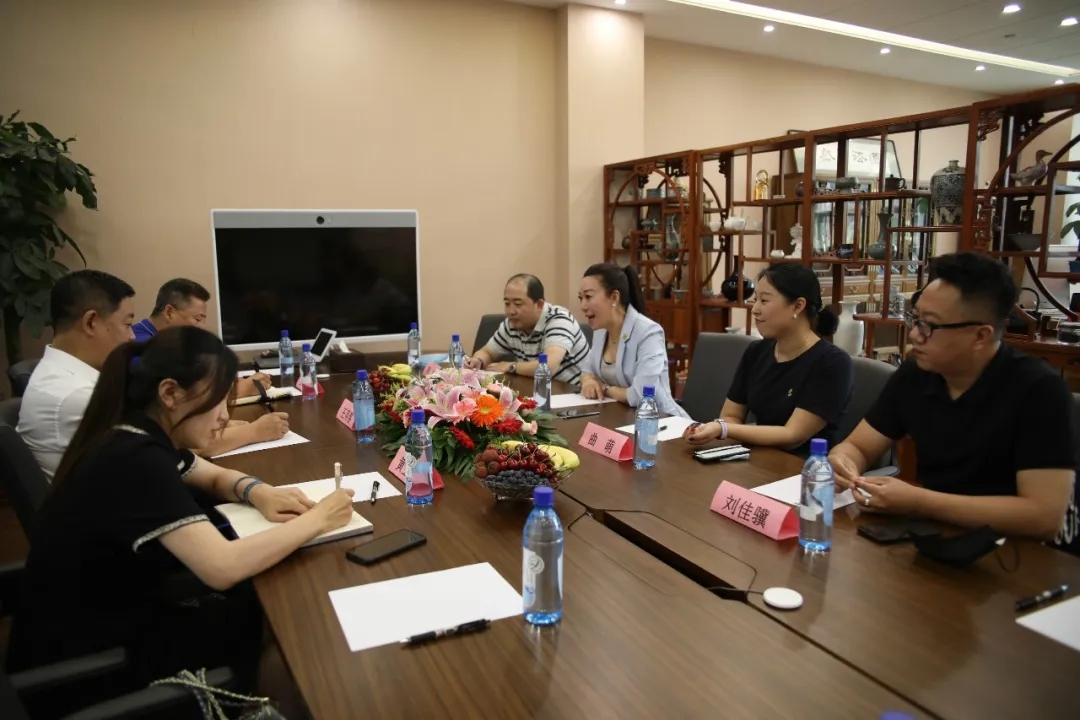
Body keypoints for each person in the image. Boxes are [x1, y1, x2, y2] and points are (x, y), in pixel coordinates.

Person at [5, 326, 356, 704]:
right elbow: (222, 566)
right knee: (289, 631)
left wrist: (258, 491)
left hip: (112, 617)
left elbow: (213, 476)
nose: (225, 417)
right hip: (96, 664)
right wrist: (318, 519)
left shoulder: (137, 432)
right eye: (217, 402)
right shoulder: (136, 459)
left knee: (266, 606)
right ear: (170, 393)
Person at [829, 252, 1077, 551]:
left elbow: (1043, 516)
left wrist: (919, 501)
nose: (915, 335)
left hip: (1022, 555)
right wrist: (844, 463)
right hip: (944, 539)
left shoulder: (1038, 390)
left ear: (980, 336)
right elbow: (858, 446)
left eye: (929, 326)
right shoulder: (916, 375)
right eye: (915, 319)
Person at [684, 263, 852, 455]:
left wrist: (723, 429)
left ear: (798, 305)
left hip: (805, 467)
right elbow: (731, 416)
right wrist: (709, 430)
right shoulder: (757, 351)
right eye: (755, 299)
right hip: (757, 458)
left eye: (764, 301)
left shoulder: (832, 363)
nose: (754, 309)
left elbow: (792, 436)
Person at [134, 278, 286, 456]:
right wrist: (253, 430)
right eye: (197, 319)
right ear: (169, 312)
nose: (201, 327)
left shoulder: (167, 344)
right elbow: (184, 442)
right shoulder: (146, 351)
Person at [17, 270, 137, 480]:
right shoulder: (77, 395)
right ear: (91, 322)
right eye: (127, 325)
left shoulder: (66, 375)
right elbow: (149, 463)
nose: (132, 336)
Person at [578, 263, 688, 418]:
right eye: (580, 298)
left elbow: (640, 394)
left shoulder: (649, 332)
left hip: (660, 420)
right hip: (618, 417)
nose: (583, 306)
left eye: (588, 297)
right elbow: (587, 370)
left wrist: (605, 388)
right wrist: (588, 381)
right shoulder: (601, 331)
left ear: (614, 297)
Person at [465, 273, 590, 388]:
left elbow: (547, 366)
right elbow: (487, 351)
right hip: (538, 391)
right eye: (507, 304)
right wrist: (478, 360)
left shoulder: (559, 320)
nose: (511, 311)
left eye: (518, 304)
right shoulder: (512, 324)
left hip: (573, 394)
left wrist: (510, 367)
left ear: (539, 304)